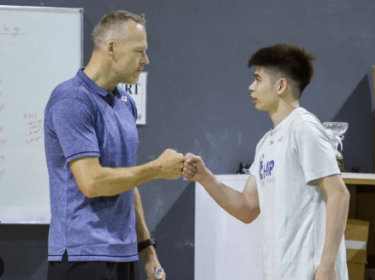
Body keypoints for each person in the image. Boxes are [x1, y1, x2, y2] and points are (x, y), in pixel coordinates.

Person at [182, 44, 350, 280]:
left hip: (311, 273)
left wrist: (327, 267)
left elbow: (339, 195)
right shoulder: (266, 143)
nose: (251, 87)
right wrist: (204, 178)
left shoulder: (304, 128)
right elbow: (247, 208)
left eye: (258, 80)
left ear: (280, 85)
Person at [44, 10, 183, 280]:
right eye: (139, 51)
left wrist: (148, 252)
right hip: (81, 258)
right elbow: (92, 182)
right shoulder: (71, 100)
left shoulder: (125, 103)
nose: (146, 60)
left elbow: (127, 181)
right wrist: (156, 169)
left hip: (124, 255)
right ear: (111, 48)